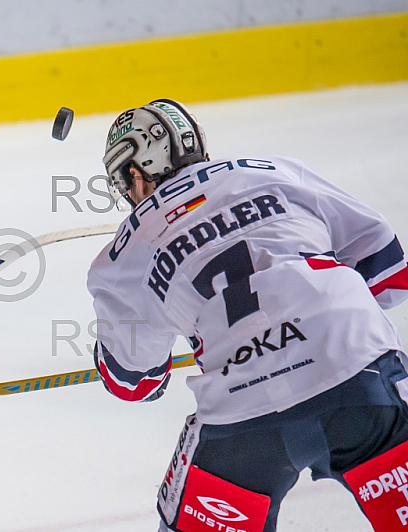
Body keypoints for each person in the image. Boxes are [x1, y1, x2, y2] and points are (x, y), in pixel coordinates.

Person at [87, 99, 408, 532]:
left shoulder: (122, 256)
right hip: (361, 372)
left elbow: (134, 382)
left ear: (135, 173)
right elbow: (391, 270)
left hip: (242, 415)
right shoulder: (271, 169)